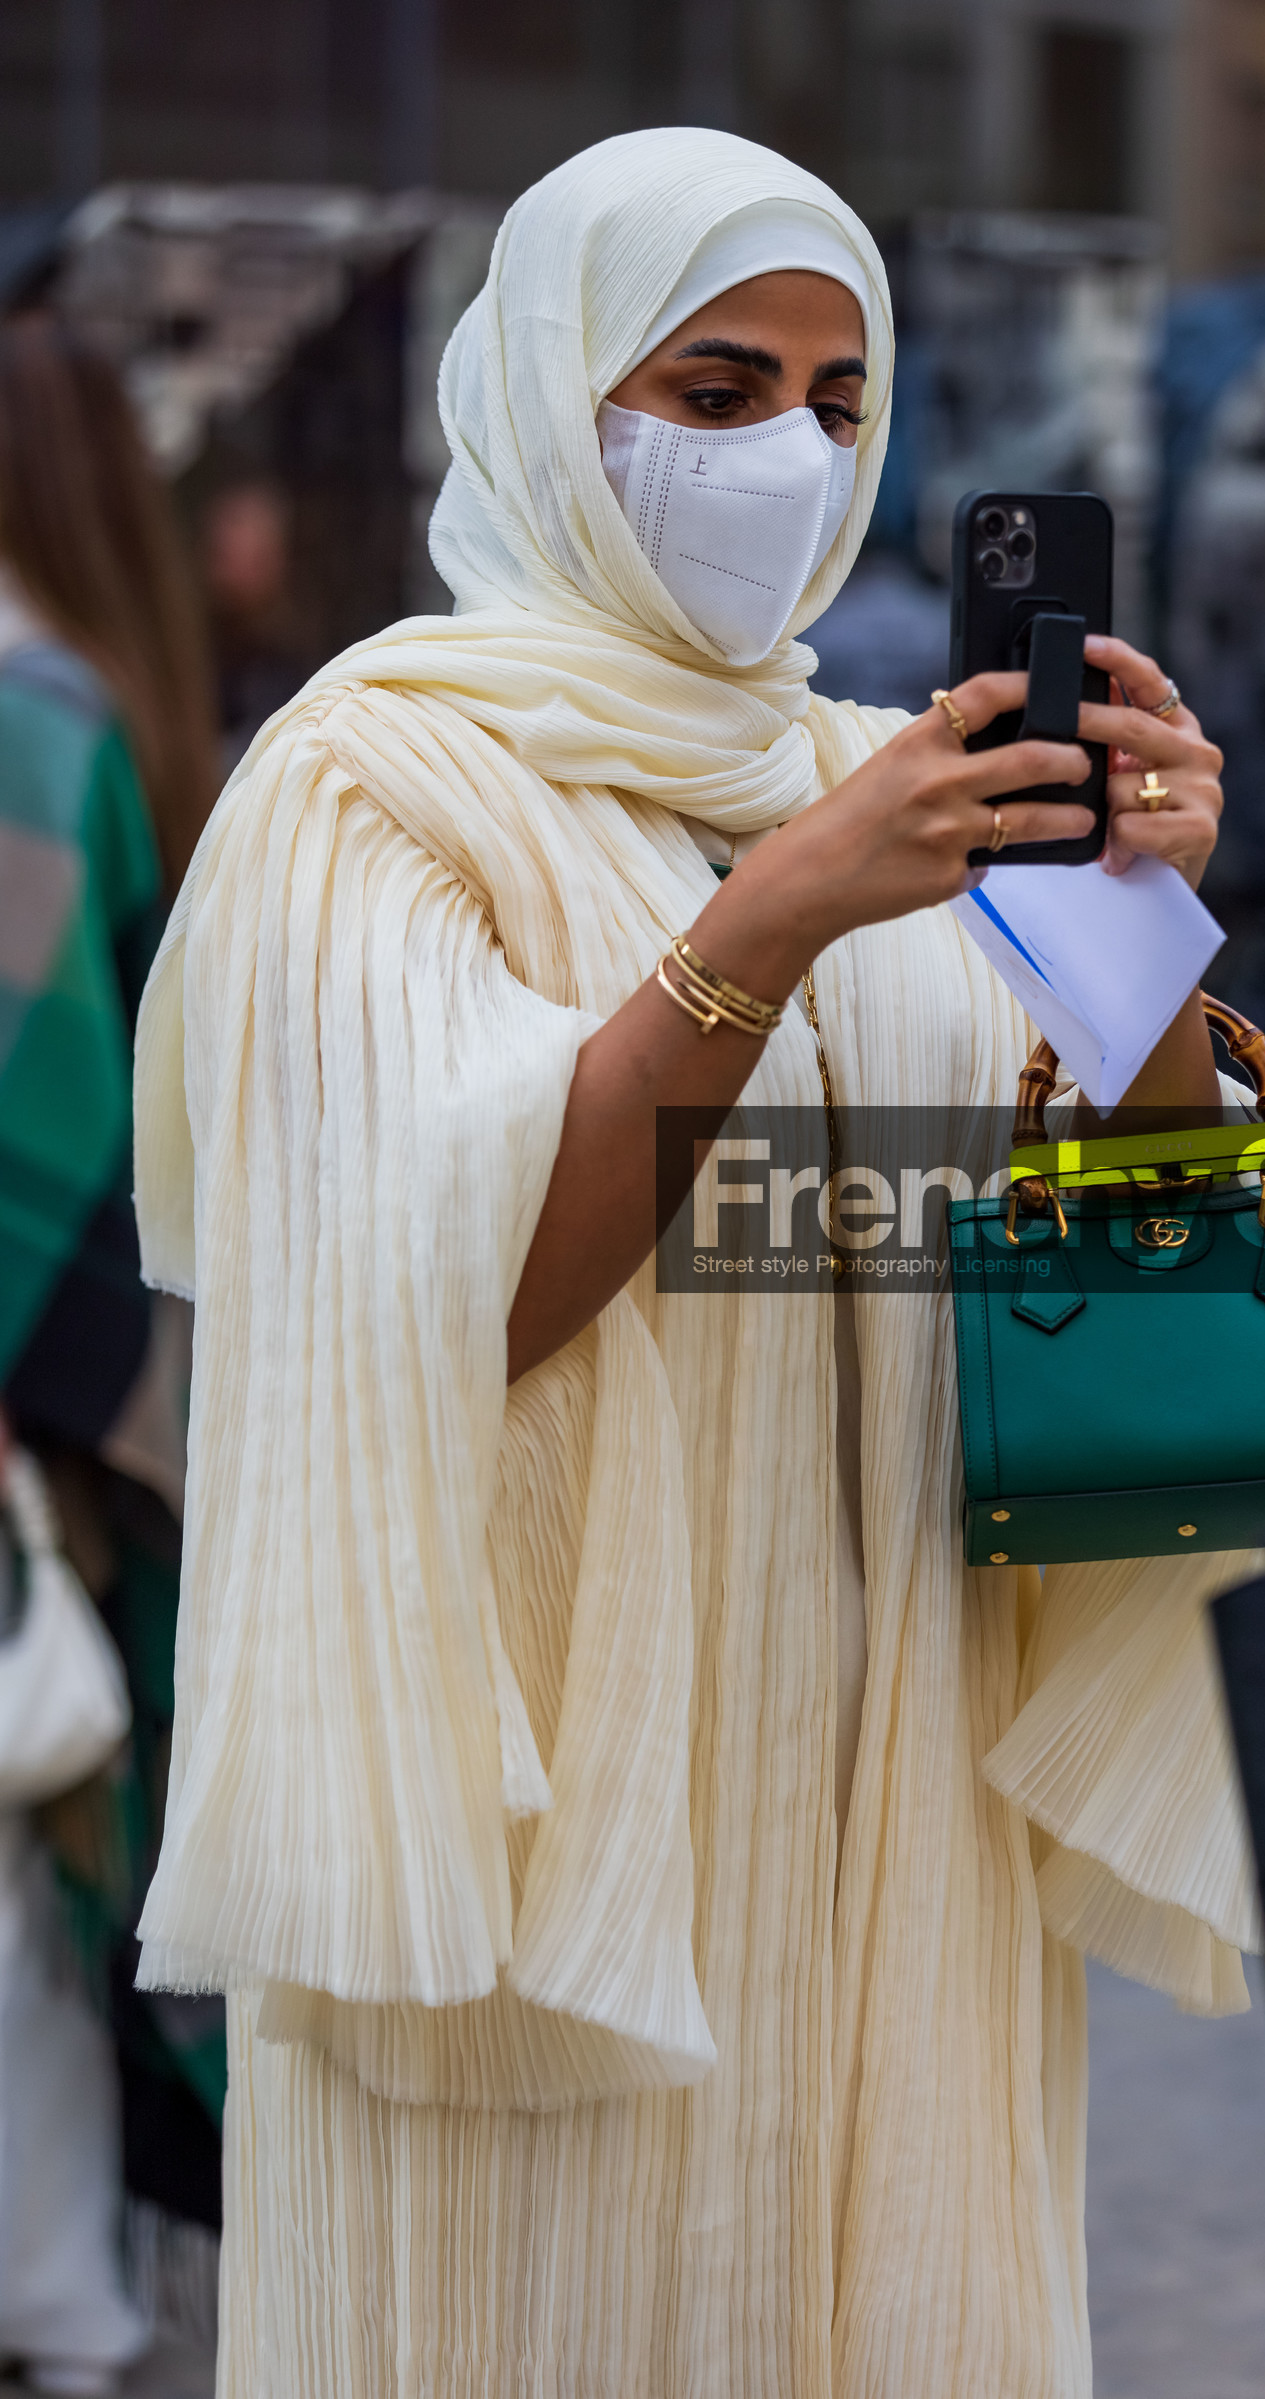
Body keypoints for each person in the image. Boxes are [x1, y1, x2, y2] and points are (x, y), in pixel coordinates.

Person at [133, 128, 1256, 2398]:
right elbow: (425, 1309)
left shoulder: (894, 784)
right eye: (715, 387)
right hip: (554, 1915)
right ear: (555, 390)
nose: (786, 456)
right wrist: (757, 929)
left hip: (896, 1882)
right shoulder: (373, 782)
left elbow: (1169, 1331)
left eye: (835, 408)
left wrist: (1135, 935)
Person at [0, 312, 223, 2389]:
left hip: (44, 1410)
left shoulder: (16, 716)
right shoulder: (107, 705)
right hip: (106, 1386)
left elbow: (21, 1112)